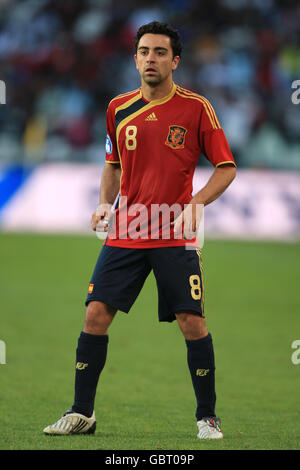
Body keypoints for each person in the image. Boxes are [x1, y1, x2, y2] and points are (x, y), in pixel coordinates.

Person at [43, 21, 236, 439]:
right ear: (135, 58)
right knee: (95, 314)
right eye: (145, 51)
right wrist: (101, 205)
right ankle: (82, 413)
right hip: (127, 228)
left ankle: (208, 417)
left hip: (174, 231)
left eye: (161, 52)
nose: (152, 58)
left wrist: (196, 203)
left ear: (175, 60)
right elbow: (112, 165)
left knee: (192, 321)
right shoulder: (118, 107)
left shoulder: (197, 107)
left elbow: (226, 167)